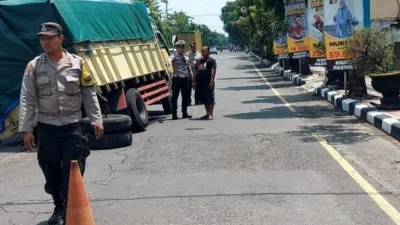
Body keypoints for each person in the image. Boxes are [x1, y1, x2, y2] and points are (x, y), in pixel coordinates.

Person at [19, 22, 104, 225]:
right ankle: (59, 206)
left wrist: (96, 119)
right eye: (42, 38)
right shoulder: (34, 66)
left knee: (73, 169)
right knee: (50, 170)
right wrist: (27, 129)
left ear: (60, 38)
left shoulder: (78, 64)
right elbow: (27, 98)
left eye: (49, 37)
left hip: (72, 125)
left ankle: (66, 206)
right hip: (47, 126)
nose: (45, 41)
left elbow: (89, 93)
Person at [170, 40, 193, 120]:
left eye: (182, 48)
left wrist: (191, 77)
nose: (181, 50)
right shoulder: (174, 56)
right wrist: (170, 62)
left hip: (185, 79)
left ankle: (184, 112)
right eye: (180, 48)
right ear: (176, 48)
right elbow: (169, 60)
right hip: (177, 79)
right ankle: (174, 114)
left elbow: (188, 67)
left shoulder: (186, 57)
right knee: (174, 97)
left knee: (185, 97)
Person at [193, 46, 217, 120]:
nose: (203, 53)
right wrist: (193, 81)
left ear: (208, 52)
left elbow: (213, 71)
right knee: (203, 99)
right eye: (202, 51)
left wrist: (211, 81)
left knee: (210, 98)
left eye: (205, 51)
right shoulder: (199, 61)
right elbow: (196, 71)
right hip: (200, 83)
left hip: (208, 83)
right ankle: (207, 113)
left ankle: (211, 114)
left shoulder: (211, 61)